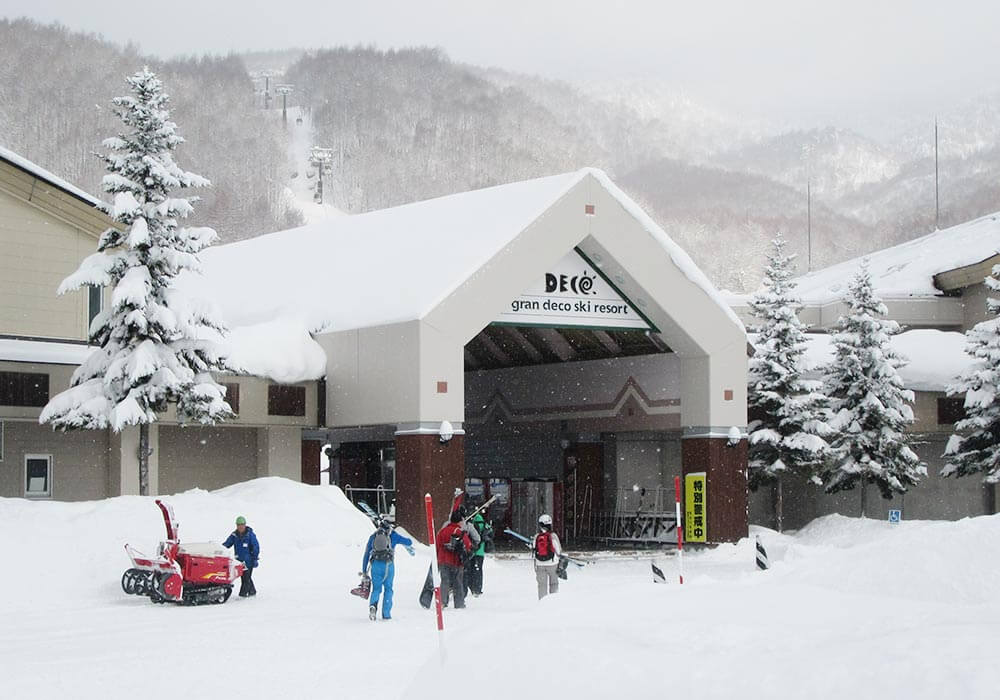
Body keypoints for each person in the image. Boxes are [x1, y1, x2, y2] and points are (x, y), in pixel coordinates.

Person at [361, 516, 414, 620]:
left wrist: (364, 571)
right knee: (388, 589)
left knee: (376, 589)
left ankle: (373, 606)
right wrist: (397, 536)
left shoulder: (373, 536)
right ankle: (386, 614)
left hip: (375, 565)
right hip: (388, 566)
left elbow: (367, 554)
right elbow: (409, 542)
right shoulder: (393, 535)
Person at [436, 510, 472, 609]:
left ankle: (442, 602)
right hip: (456, 561)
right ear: (459, 521)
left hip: (443, 560)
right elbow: (468, 545)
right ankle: (459, 603)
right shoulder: (459, 532)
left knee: (445, 581)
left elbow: (437, 545)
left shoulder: (442, 531)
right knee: (458, 582)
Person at [223, 515, 260, 597]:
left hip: (248, 561)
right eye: (238, 525)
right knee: (245, 577)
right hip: (239, 561)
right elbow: (227, 544)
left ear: (245, 525)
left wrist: (255, 559)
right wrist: (220, 549)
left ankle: (242, 595)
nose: (240, 527)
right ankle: (252, 591)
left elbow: (255, 547)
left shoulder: (250, 535)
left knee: (246, 578)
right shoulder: (234, 535)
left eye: (242, 525)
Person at [532, 513, 562, 600]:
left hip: (539, 564)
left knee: (542, 585)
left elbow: (534, 549)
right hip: (553, 563)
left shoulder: (537, 536)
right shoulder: (553, 536)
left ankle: (542, 603)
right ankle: (553, 602)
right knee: (554, 583)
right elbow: (558, 551)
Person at [465, 509, 492, 597]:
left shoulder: (471, 524)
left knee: (470, 570)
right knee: (479, 570)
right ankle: (478, 588)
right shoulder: (484, 524)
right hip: (480, 551)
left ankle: (472, 586)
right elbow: (491, 533)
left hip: (472, 550)